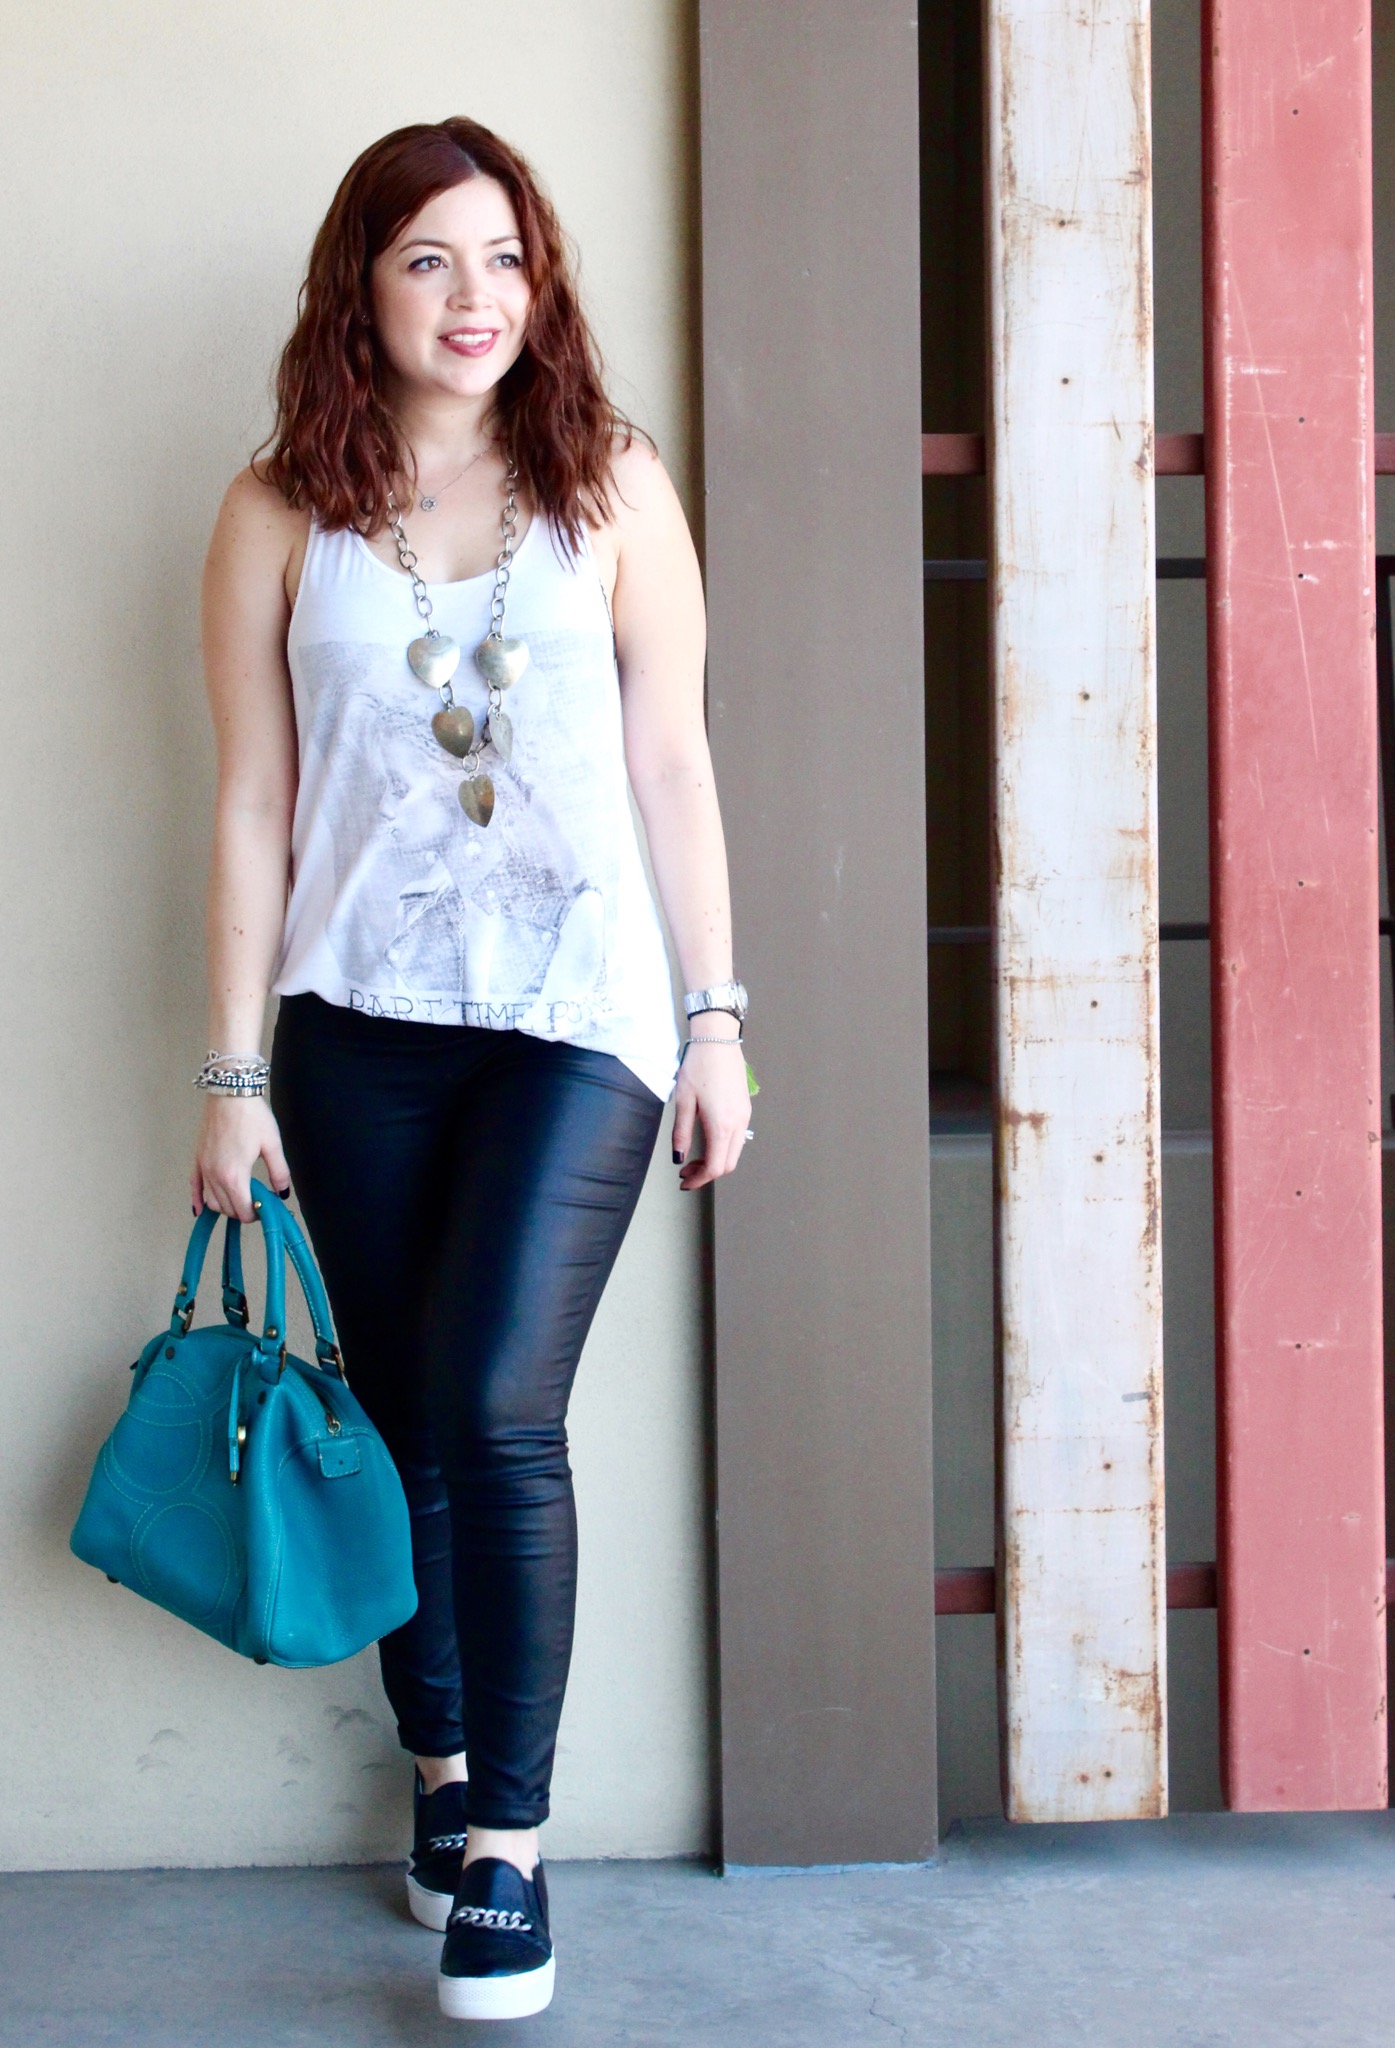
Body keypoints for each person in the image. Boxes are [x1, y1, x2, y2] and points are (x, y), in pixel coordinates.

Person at [190, 117, 751, 2024]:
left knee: (501, 1404)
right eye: (428, 257)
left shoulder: (611, 483)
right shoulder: (278, 512)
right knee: (407, 1412)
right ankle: (438, 1767)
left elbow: (673, 762)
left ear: (544, 280)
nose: (474, 296)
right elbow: (253, 804)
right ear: (361, 284)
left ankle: (508, 1847)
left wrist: (715, 1018)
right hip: (353, 1030)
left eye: (504, 256)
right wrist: (232, 1073)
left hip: (577, 1019)